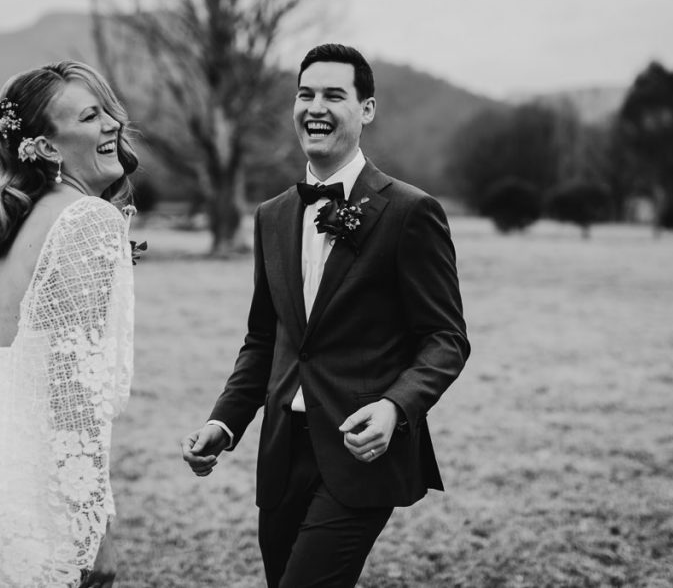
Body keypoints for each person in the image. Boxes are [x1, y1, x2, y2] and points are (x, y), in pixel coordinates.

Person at [181, 44, 470, 587]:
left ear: (367, 109)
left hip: (361, 451)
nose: (316, 106)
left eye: (334, 95)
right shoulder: (272, 216)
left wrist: (394, 407)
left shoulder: (410, 213)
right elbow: (264, 340)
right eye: (305, 94)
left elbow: (445, 339)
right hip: (281, 453)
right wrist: (224, 421)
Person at [0, 60, 138, 588]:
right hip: (31, 495)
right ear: (50, 148)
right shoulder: (86, 221)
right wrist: (94, 526)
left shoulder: (3, 226)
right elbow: (74, 389)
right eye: (90, 116)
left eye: (107, 110)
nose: (111, 124)